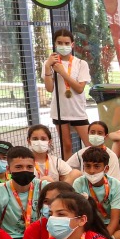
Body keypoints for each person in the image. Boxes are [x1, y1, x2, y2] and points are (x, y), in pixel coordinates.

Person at [43, 27, 91, 157]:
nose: (63, 46)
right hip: (60, 111)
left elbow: (80, 88)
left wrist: (63, 73)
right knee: (67, 145)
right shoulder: (50, 63)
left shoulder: (81, 63)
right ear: (55, 44)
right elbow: (49, 88)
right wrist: (48, 67)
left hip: (77, 111)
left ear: (72, 44)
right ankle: (67, 174)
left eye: (66, 43)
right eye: (59, 43)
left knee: (90, 145)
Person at [0, 147, 44, 239]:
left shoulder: (42, 188)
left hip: (38, 238)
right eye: (19, 167)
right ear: (8, 169)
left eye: (29, 167)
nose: (25, 170)